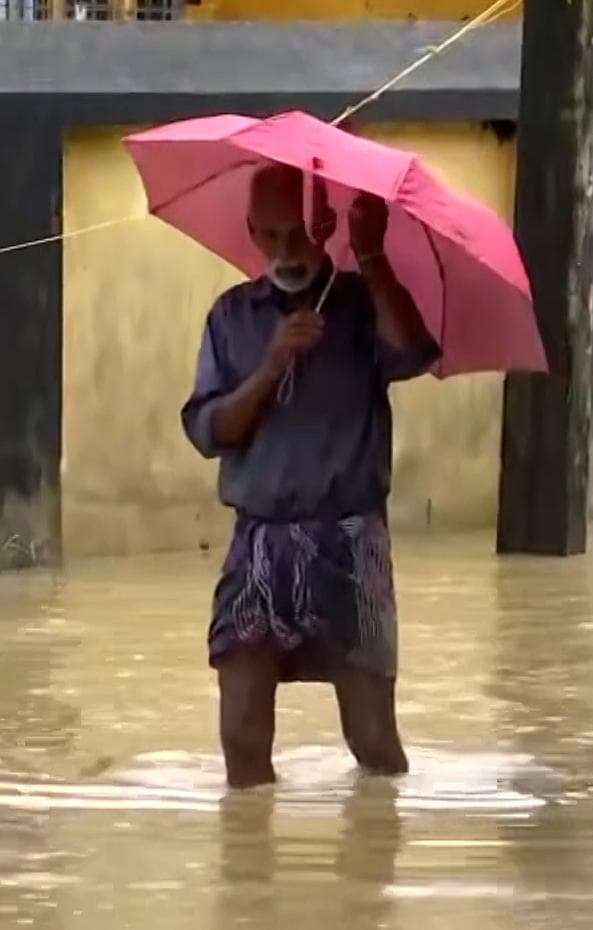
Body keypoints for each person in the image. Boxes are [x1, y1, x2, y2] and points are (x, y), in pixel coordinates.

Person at [180, 162, 439, 789]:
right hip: (258, 543)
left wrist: (373, 255)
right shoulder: (232, 317)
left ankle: (374, 870)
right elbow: (209, 432)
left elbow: (412, 352)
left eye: (298, 233)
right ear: (251, 230)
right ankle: (251, 881)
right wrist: (270, 367)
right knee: (241, 735)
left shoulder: (359, 303)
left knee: (373, 740)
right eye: (268, 235)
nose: (285, 251)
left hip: (349, 540)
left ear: (324, 225)